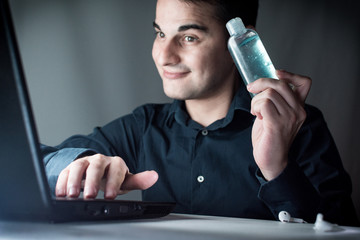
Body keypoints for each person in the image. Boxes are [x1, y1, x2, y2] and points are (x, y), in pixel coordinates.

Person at [42, 0, 359, 226]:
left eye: (189, 37)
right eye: (160, 33)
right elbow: (36, 161)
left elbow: (341, 229)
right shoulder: (142, 128)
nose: (164, 55)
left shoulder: (298, 124)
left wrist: (278, 169)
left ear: (236, 40)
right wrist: (78, 163)